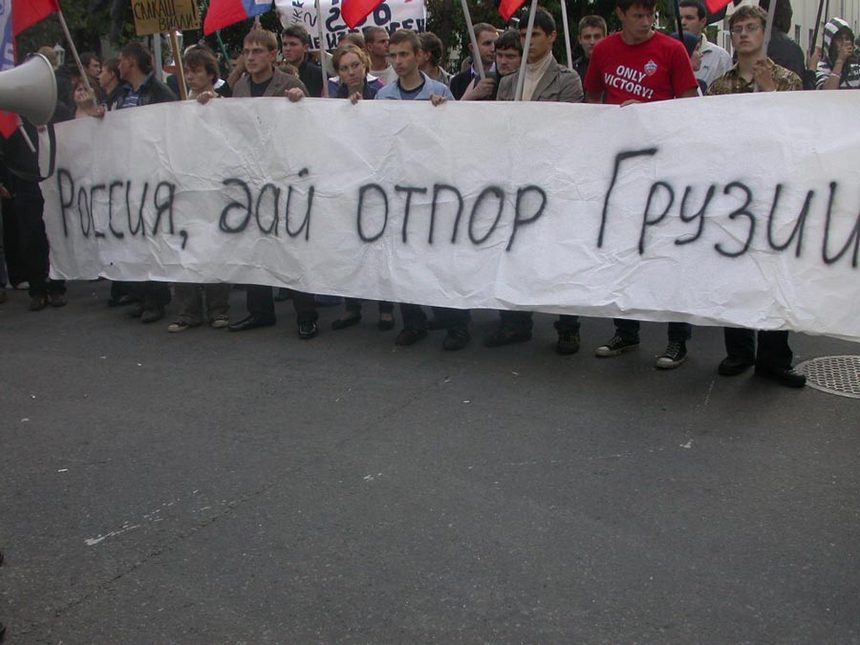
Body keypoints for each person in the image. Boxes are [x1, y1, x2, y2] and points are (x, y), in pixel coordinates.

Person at [585, 0, 699, 369]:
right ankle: (626, 330)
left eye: (650, 14)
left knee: (668, 255)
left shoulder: (672, 49)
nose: (646, 21)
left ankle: (677, 339)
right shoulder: (604, 50)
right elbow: (591, 101)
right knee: (623, 252)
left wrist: (648, 116)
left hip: (664, 170)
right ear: (620, 14)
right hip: (622, 170)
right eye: (637, 15)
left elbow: (689, 106)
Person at [706, 5, 805, 388]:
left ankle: (774, 356)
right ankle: (739, 350)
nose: (745, 34)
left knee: (774, 273)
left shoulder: (788, 80)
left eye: (752, 28)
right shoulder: (720, 86)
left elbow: (797, 133)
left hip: (775, 190)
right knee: (735, 272)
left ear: (764, 33)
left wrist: (769, 92)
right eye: (739, 29)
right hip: (734, 190)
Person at [199, 29, 319, 338]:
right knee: (254, 245)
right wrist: (210, 103)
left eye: (257, 51)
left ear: (271, 55)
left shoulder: (289, 85)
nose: (250, 57)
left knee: (290, 247)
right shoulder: (239, 87)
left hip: (283, 177)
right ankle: (260, 310)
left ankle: (306, 313)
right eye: (246, 52)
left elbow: (310, 125)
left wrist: (300, 102)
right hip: (251, 177)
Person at [483, 8, 584, 354]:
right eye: (523, 34)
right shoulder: (508, 82)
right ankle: (515, 322)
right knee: (512, 250)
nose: (528, 41)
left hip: (553, 178)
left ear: (552, 37)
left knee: (559, 253)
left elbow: (567, 130)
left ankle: (567, 326)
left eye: (535, 34)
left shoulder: (567, 79)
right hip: (515, 177)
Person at [374, 29, 470, 350]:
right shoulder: (383, 97)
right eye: (393, 56)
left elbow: (456, 138)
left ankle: (456, 325)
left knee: (441, 259)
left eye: (404, 55)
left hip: (433, 191)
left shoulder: (440, 92)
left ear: (419, 56)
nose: (398, 62)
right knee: (404, 258)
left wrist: (443, 113)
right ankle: (413, 322)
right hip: (399, 190)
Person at [166, 48, 232, 333]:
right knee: (186, 247)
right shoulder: (179, 106)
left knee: (215, 246)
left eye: (197, 71)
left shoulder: (223, 105)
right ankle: (187, 310)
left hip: (214, 186)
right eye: (188, 71)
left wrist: (211, 107)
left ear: (211, 75)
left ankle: (219, 309)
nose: (191, 76)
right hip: (186, 187)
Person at [114, 42, 177, 323]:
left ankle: (156, 297)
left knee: (153, 235)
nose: (117, 65)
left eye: (121, 60)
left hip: (153, 174)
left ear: (131, 62)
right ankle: (141, 292)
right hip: (129, 172)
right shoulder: (121, 94)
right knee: (136, 235)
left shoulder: (159, 93)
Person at [678, 0, 731, 89]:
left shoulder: (721, 57)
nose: (683, 22)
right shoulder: (664, 53)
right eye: (679, 18)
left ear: (702, 21)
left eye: (689, 18)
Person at [461, 28, 522, 100]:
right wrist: (474, 94)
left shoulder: (528, 83)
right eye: (499, 55)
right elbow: (459, 107)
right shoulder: (483, 79)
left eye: (510, 57)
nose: (503, 62)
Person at [449, 23, 498, 100]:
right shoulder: (457, 82)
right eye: (487, 44)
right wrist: (473, 94)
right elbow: (454, 110)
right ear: (472, 47)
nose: (493, 49)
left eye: (496, 43)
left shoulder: (503, 77)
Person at [816, 17, 860, 89]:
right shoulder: (821, 67)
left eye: (847, 39)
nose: (844, 43)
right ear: (831, 43)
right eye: (840, 39)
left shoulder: (856, 67)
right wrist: (840, 61)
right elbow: (827, 93)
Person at [282, 24, 324, 97]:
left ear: (305, 48)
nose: (287, 49)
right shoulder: (275, 73)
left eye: (293, 44)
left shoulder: (319, 75)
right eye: (285, 44)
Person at [573, 15, 607, 82]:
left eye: (597, 37)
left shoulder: (615, 67)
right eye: (587, 37)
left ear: (605, 38)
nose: (592, 42)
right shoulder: (573, 70)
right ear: (580, 39)